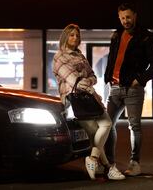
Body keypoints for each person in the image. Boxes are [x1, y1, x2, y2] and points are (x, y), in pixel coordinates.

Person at [53, 23, 125, 180]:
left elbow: (93, 76)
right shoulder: (59, 57)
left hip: (88, 97)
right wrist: (86, 81)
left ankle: (92, 159)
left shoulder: (80, 55)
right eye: (72, 35)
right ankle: (109, 168)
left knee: (106, 124)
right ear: (65, 37)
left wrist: (87, 80)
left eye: (77, 35)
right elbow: (74, 82)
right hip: (74, 100)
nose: (75, 38)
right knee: (93, 133)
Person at [104, 3, 153, 176]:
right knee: (107, 125)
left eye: (128, 17)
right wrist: (108, 78)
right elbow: (112, 59)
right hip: (114, 88)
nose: (125, 21)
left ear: (135, 16)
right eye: (122, 18)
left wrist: (141, 79)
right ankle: (109, 163)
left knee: (134, 126)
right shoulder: (116, 35)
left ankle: (135, 163)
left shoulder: (146, 37)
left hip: (133, 89)